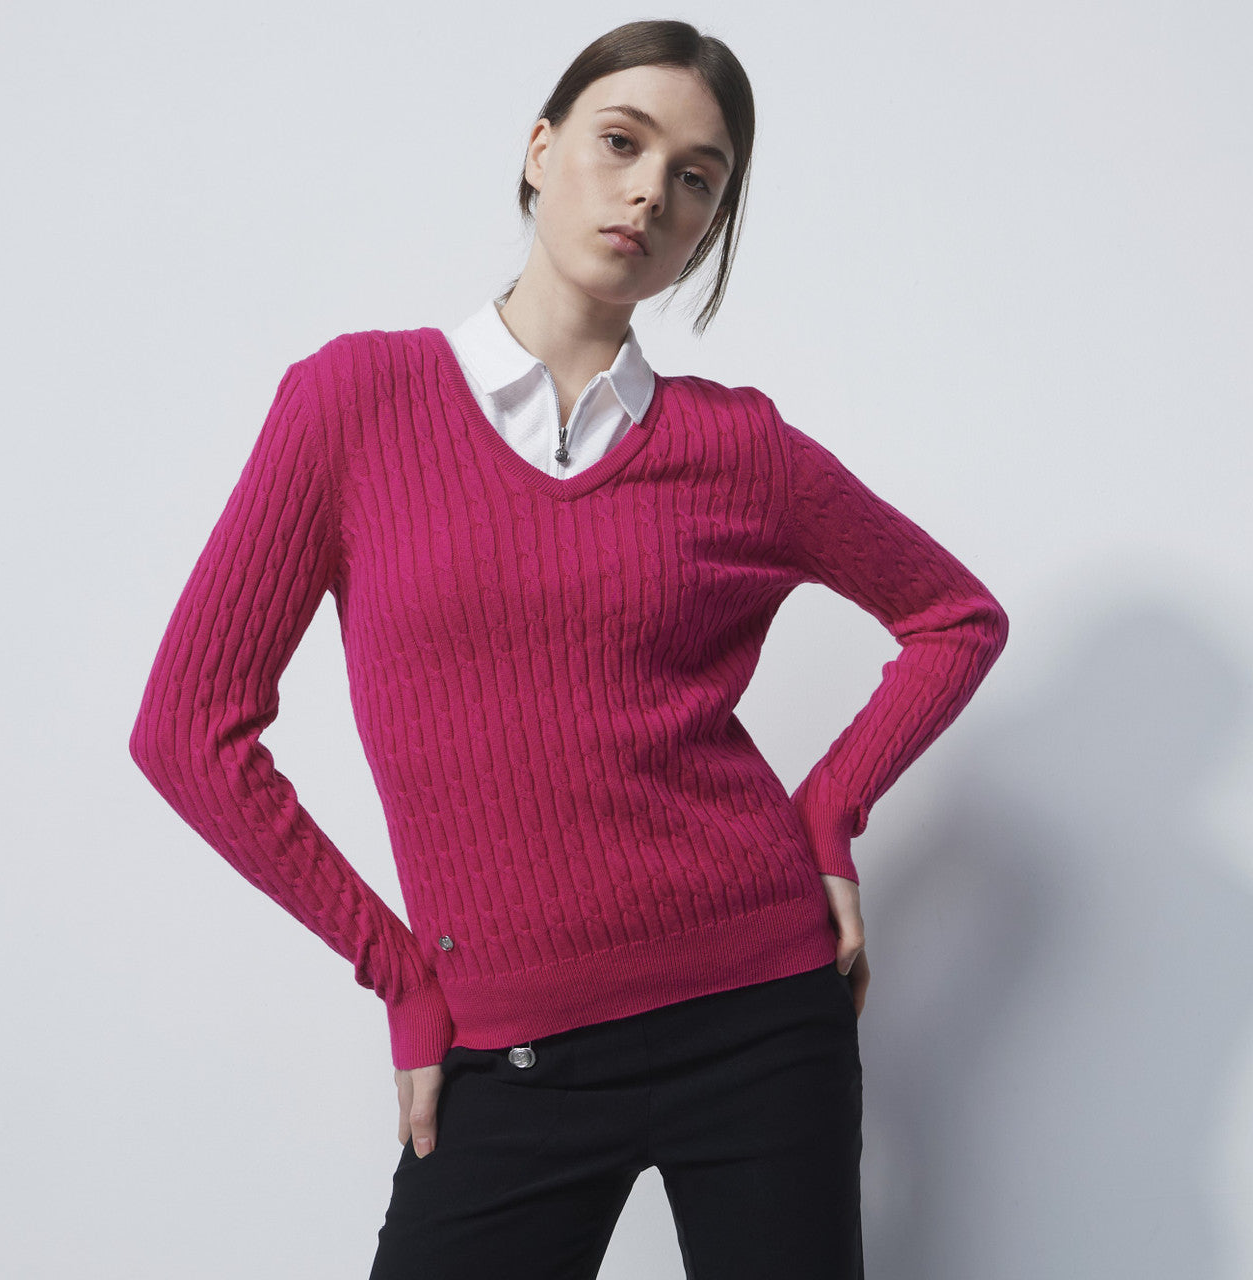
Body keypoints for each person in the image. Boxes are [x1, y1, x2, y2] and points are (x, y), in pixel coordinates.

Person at [128, 19, 1008, 1280]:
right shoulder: (352, 403)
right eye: (620, 142)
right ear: (540, 151)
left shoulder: (739, 448)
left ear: (707, 224)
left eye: (696, 177)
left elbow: (954, 618)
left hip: (760, 1014)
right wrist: (399, 971)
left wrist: (826, 814)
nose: (650, 191)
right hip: (507, 1051)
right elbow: (186, 729)